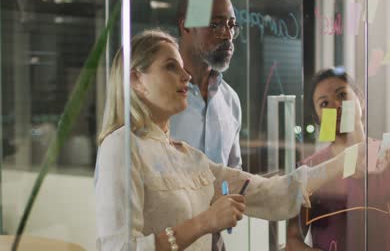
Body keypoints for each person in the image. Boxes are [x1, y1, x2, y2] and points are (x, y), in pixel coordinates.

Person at [94, 30, 370, 251]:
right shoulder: (121, 147)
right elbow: (119, 248)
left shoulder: (189, 157)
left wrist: (346, 160)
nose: (186, 75)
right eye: (170, 67)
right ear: (136, 81)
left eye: (182, 67)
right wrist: (204, 222)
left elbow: (274, 194)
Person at [286, 68, 390, 251]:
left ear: (361, 99)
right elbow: (292, 240)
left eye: (342, 94)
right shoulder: (310, 169)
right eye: (324, 103)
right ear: (318, 119)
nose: (336, 105)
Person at [171, 0, 241, 249]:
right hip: (166, 241)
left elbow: (232, 177)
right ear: (186, 26)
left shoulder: (230, 101)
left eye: (231, 24)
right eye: (216, 24)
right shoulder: (158, 97)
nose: (227, 34)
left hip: (215, 242)